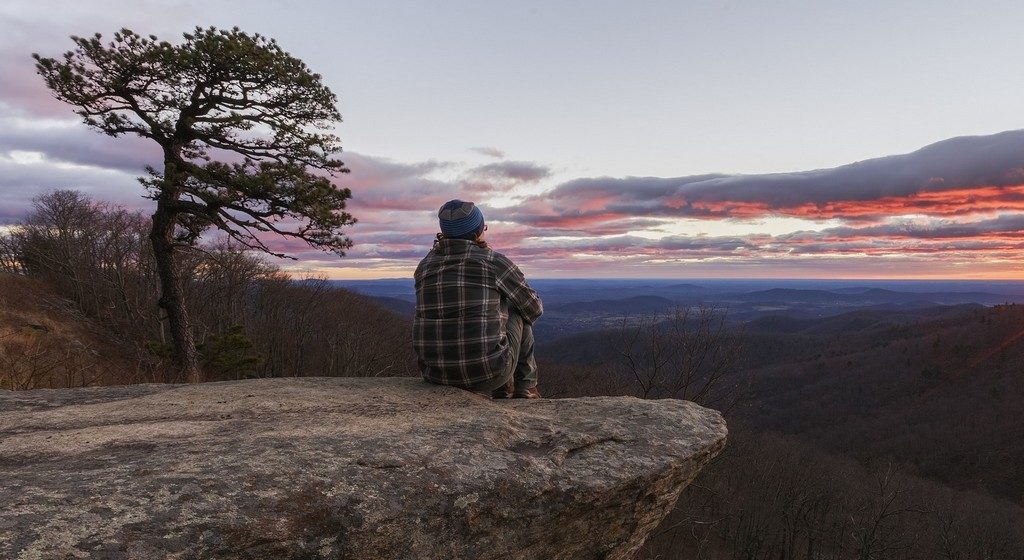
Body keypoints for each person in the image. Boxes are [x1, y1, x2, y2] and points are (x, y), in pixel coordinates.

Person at [414, 199, 543, 399]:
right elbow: (533, 308)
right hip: (489, 375)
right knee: (517, 307)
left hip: (435, 374)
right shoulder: (493, 261)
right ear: (478, 231)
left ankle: (507, 389)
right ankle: (526, 387)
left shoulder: (425, 265)